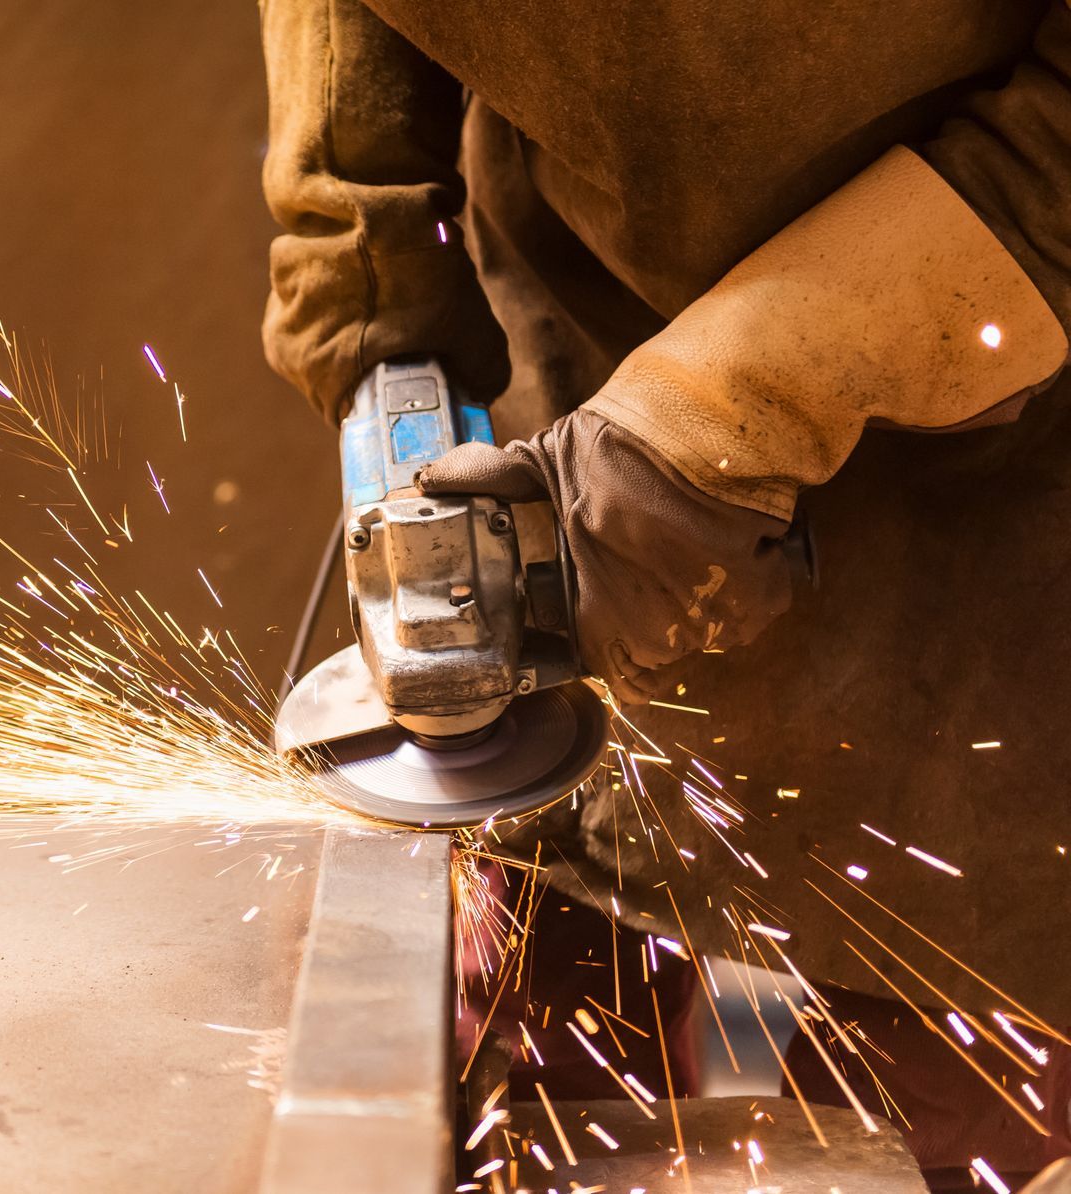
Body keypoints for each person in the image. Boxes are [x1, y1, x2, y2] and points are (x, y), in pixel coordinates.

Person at [259, 0, 1071, 1175]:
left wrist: (730, 409)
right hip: (588, 307)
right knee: (524, 1039)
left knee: (937, 1051)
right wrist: (371, 287)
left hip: (1005, 381)